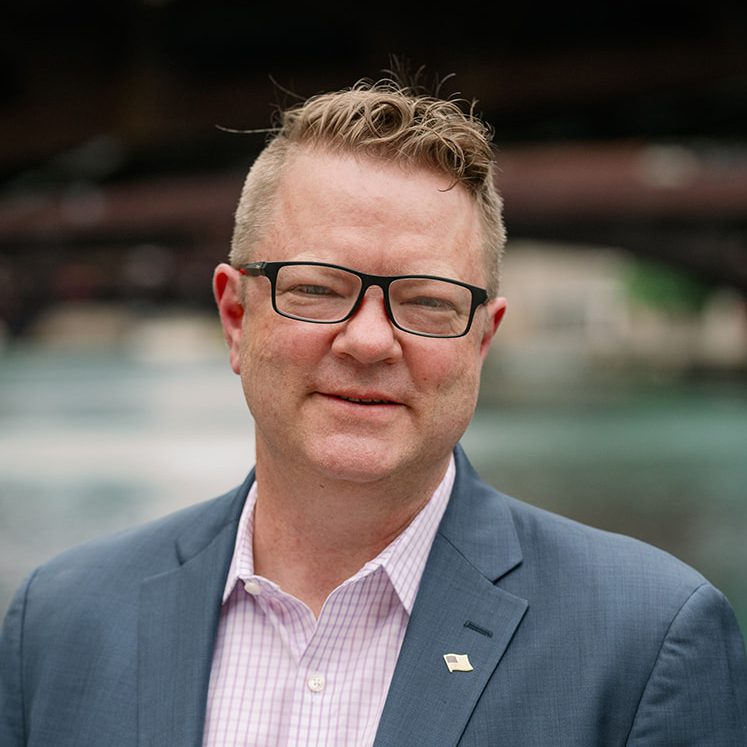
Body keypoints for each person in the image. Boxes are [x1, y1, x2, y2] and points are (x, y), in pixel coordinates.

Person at [1, 74, 746, 747]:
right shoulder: (57, 625)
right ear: (235, 317)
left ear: (482, 340)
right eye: (316, 289)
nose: (367, 341)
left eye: (427, 302)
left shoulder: (649, 642)